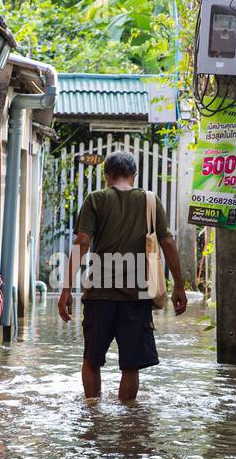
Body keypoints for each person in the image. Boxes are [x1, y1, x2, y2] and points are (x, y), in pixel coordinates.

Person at [58, 149, 187, 400]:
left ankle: (93, 416)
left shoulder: (95, 199)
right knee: (131, 365)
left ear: (107, 175)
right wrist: (179, 286)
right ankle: (129, 425)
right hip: (137, 294)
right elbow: (168, 243)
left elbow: (83, 240)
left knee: (92, 359)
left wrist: (66, 289)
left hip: (98, 292)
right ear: (134, 175)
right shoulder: (150, 200)